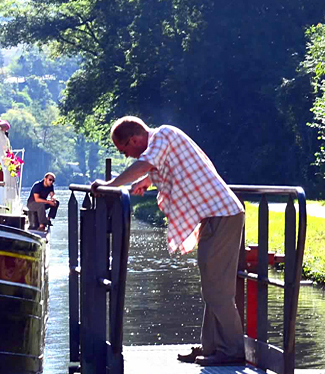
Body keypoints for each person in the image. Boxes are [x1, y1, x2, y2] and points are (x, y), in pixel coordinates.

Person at [90, 116, 245, 367]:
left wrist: (110, 184)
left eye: (125, 149)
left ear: (135, 139)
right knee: (211, 285)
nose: (127, 155)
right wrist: (147, 181)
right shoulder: (162, 142)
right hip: (215, 216)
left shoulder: (163, 135)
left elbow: (144, 164)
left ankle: (233, 349)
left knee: (218, 289)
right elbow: (164, 166)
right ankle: (212, 346)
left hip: (223, 214)